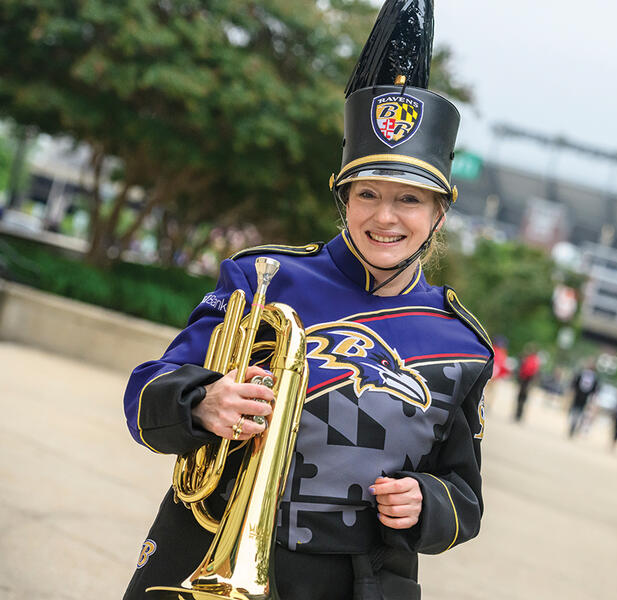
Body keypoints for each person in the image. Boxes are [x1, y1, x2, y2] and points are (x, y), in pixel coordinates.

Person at [121, 2, 493, 599]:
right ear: (342, 198)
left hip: (356, 582)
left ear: (439, 212)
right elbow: (145, 391)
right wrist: (200, 402)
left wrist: (429, 502)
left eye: (410, 201)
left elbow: (465, 499)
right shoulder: (261, 278)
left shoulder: (462, 345)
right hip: (206, 555)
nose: (385, 217)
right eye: (367, 193)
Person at [568, 358, 598, 438]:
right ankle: (574, 424)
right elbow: (574, 384)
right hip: (580, 396)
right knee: (576, 411)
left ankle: (575, 424)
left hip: (583, 397)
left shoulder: (592, 377)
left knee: (578, 412)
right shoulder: (583, 374)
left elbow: (594, 390)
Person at [513, 343, 540, 422]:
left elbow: (528, 371)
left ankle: (519, 414)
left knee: (521, 398)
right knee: (523, 399)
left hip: (526, 380)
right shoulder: (533, 360)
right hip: (527, 381)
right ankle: (519, 414)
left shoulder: (530, 359)